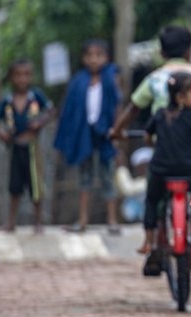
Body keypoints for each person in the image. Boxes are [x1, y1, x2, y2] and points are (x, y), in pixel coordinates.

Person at [109, 25, 191, 179]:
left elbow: (133, 109)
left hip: (163, 149)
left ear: (162, 53)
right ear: (189, 52)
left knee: (154, 193)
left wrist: (117, 131)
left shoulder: (154, 78)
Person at [54, 39, 122, 234]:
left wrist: (116, 131)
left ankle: (112, 220)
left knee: (108, 176)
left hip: (105, 133)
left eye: (99, 55)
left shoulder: (111, 78)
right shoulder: (78, 81)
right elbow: (70, 111)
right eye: (90, 55)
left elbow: (117, 105)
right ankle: (83, 219)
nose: (94, 59)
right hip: (84, 133)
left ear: (106, 58)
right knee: (85, 177)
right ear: (84, 59)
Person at [138, 72, 191, 254]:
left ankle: (148, 241)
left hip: (161, 170)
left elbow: (147, 137)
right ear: (180, 97)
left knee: (152, 200)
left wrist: (155, 143)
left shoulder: (159, 114)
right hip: (186, 168)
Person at [0, 58, 54, 234]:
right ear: (11, 77)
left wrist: (40, 123)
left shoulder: (36, 96)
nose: (22, 79)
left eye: (26, 75)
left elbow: (51, 111)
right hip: (15, 146)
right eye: (18, 75)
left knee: (35, 186)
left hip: (32, 147)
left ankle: (38, 222)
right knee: (15, 186)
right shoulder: (7, 99)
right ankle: (11, 222)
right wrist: (1, 134)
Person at [115, 146, 153, 222]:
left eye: (147, 164)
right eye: (143, 165)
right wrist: (121, 168)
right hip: (133, 216)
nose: (146, 168)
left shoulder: (154, 180)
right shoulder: (137, 181)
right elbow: (128, 189)